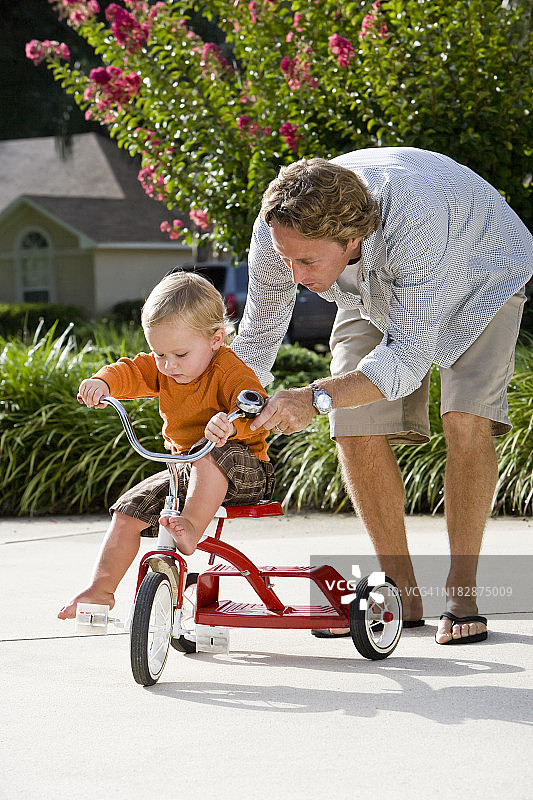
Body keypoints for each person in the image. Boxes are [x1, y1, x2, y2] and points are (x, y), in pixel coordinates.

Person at [231, 147, 533, 645]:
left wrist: (312, 397)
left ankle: (463, 593)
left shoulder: (418, 220)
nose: (293, 275)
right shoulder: (278, 229)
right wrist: (223, 407)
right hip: (373, 289)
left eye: (305, 260)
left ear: (353, 238)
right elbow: (258, 337)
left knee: (465, 417)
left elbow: (408, 361)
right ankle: (400, 593)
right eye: (286, 257)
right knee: (351, 425)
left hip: (482, 270)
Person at [58, 271, 274, 620]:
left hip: (246, 469)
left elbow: (257, 408)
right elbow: (132, 371)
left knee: (209, 450)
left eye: (180, 354)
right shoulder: (164, 367)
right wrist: (103, 382)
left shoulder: (230, 371)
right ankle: (101, 589)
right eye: (160, 354)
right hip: (188, 471)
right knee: (129, 510)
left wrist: (231, 422)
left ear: (217, 339)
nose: (168, 365)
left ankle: (189, 526)